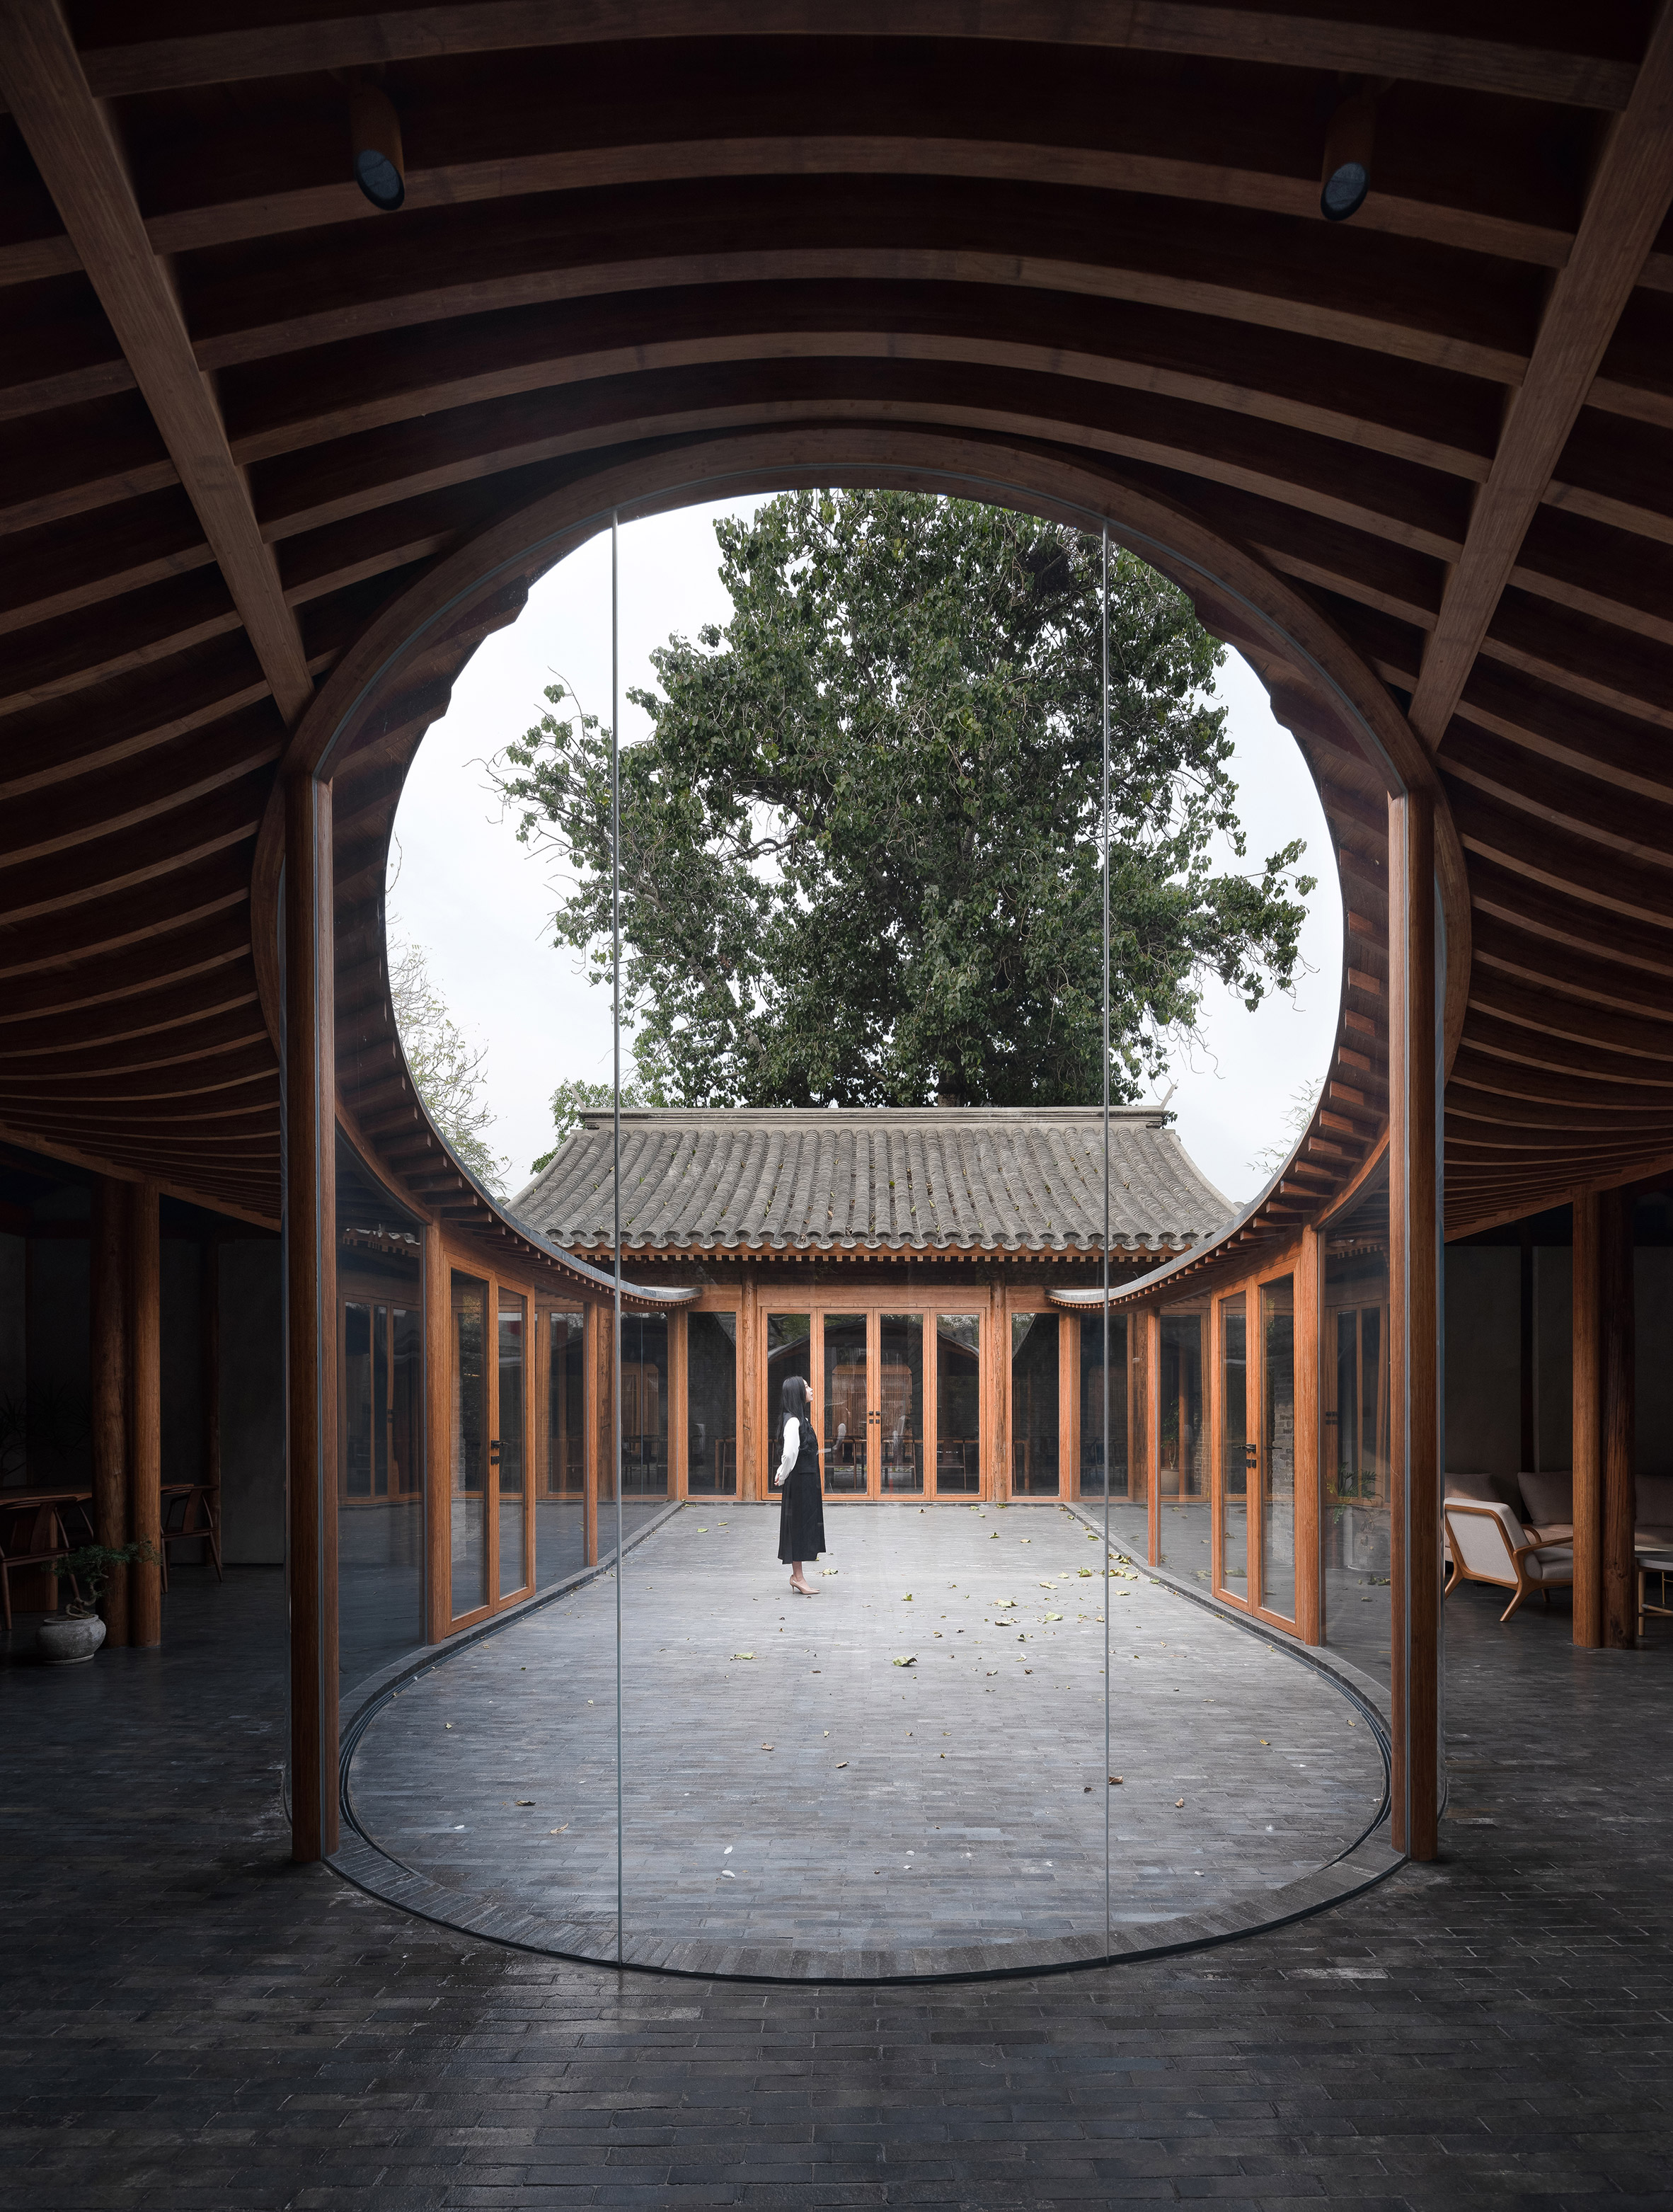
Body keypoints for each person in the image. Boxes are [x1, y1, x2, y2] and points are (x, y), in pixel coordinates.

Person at [774, 1374, 825, 1595]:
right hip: (800, 1483)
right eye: (806, 1386)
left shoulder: (801, 1419)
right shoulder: (793, 1421)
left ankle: (798, 1576)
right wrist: (783, 1474)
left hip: (806, 1480)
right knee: (799, 1528)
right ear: (797, 1393)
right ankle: (798, 1577)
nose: (811, 1389)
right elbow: (789, 1453)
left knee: (803, 1526)